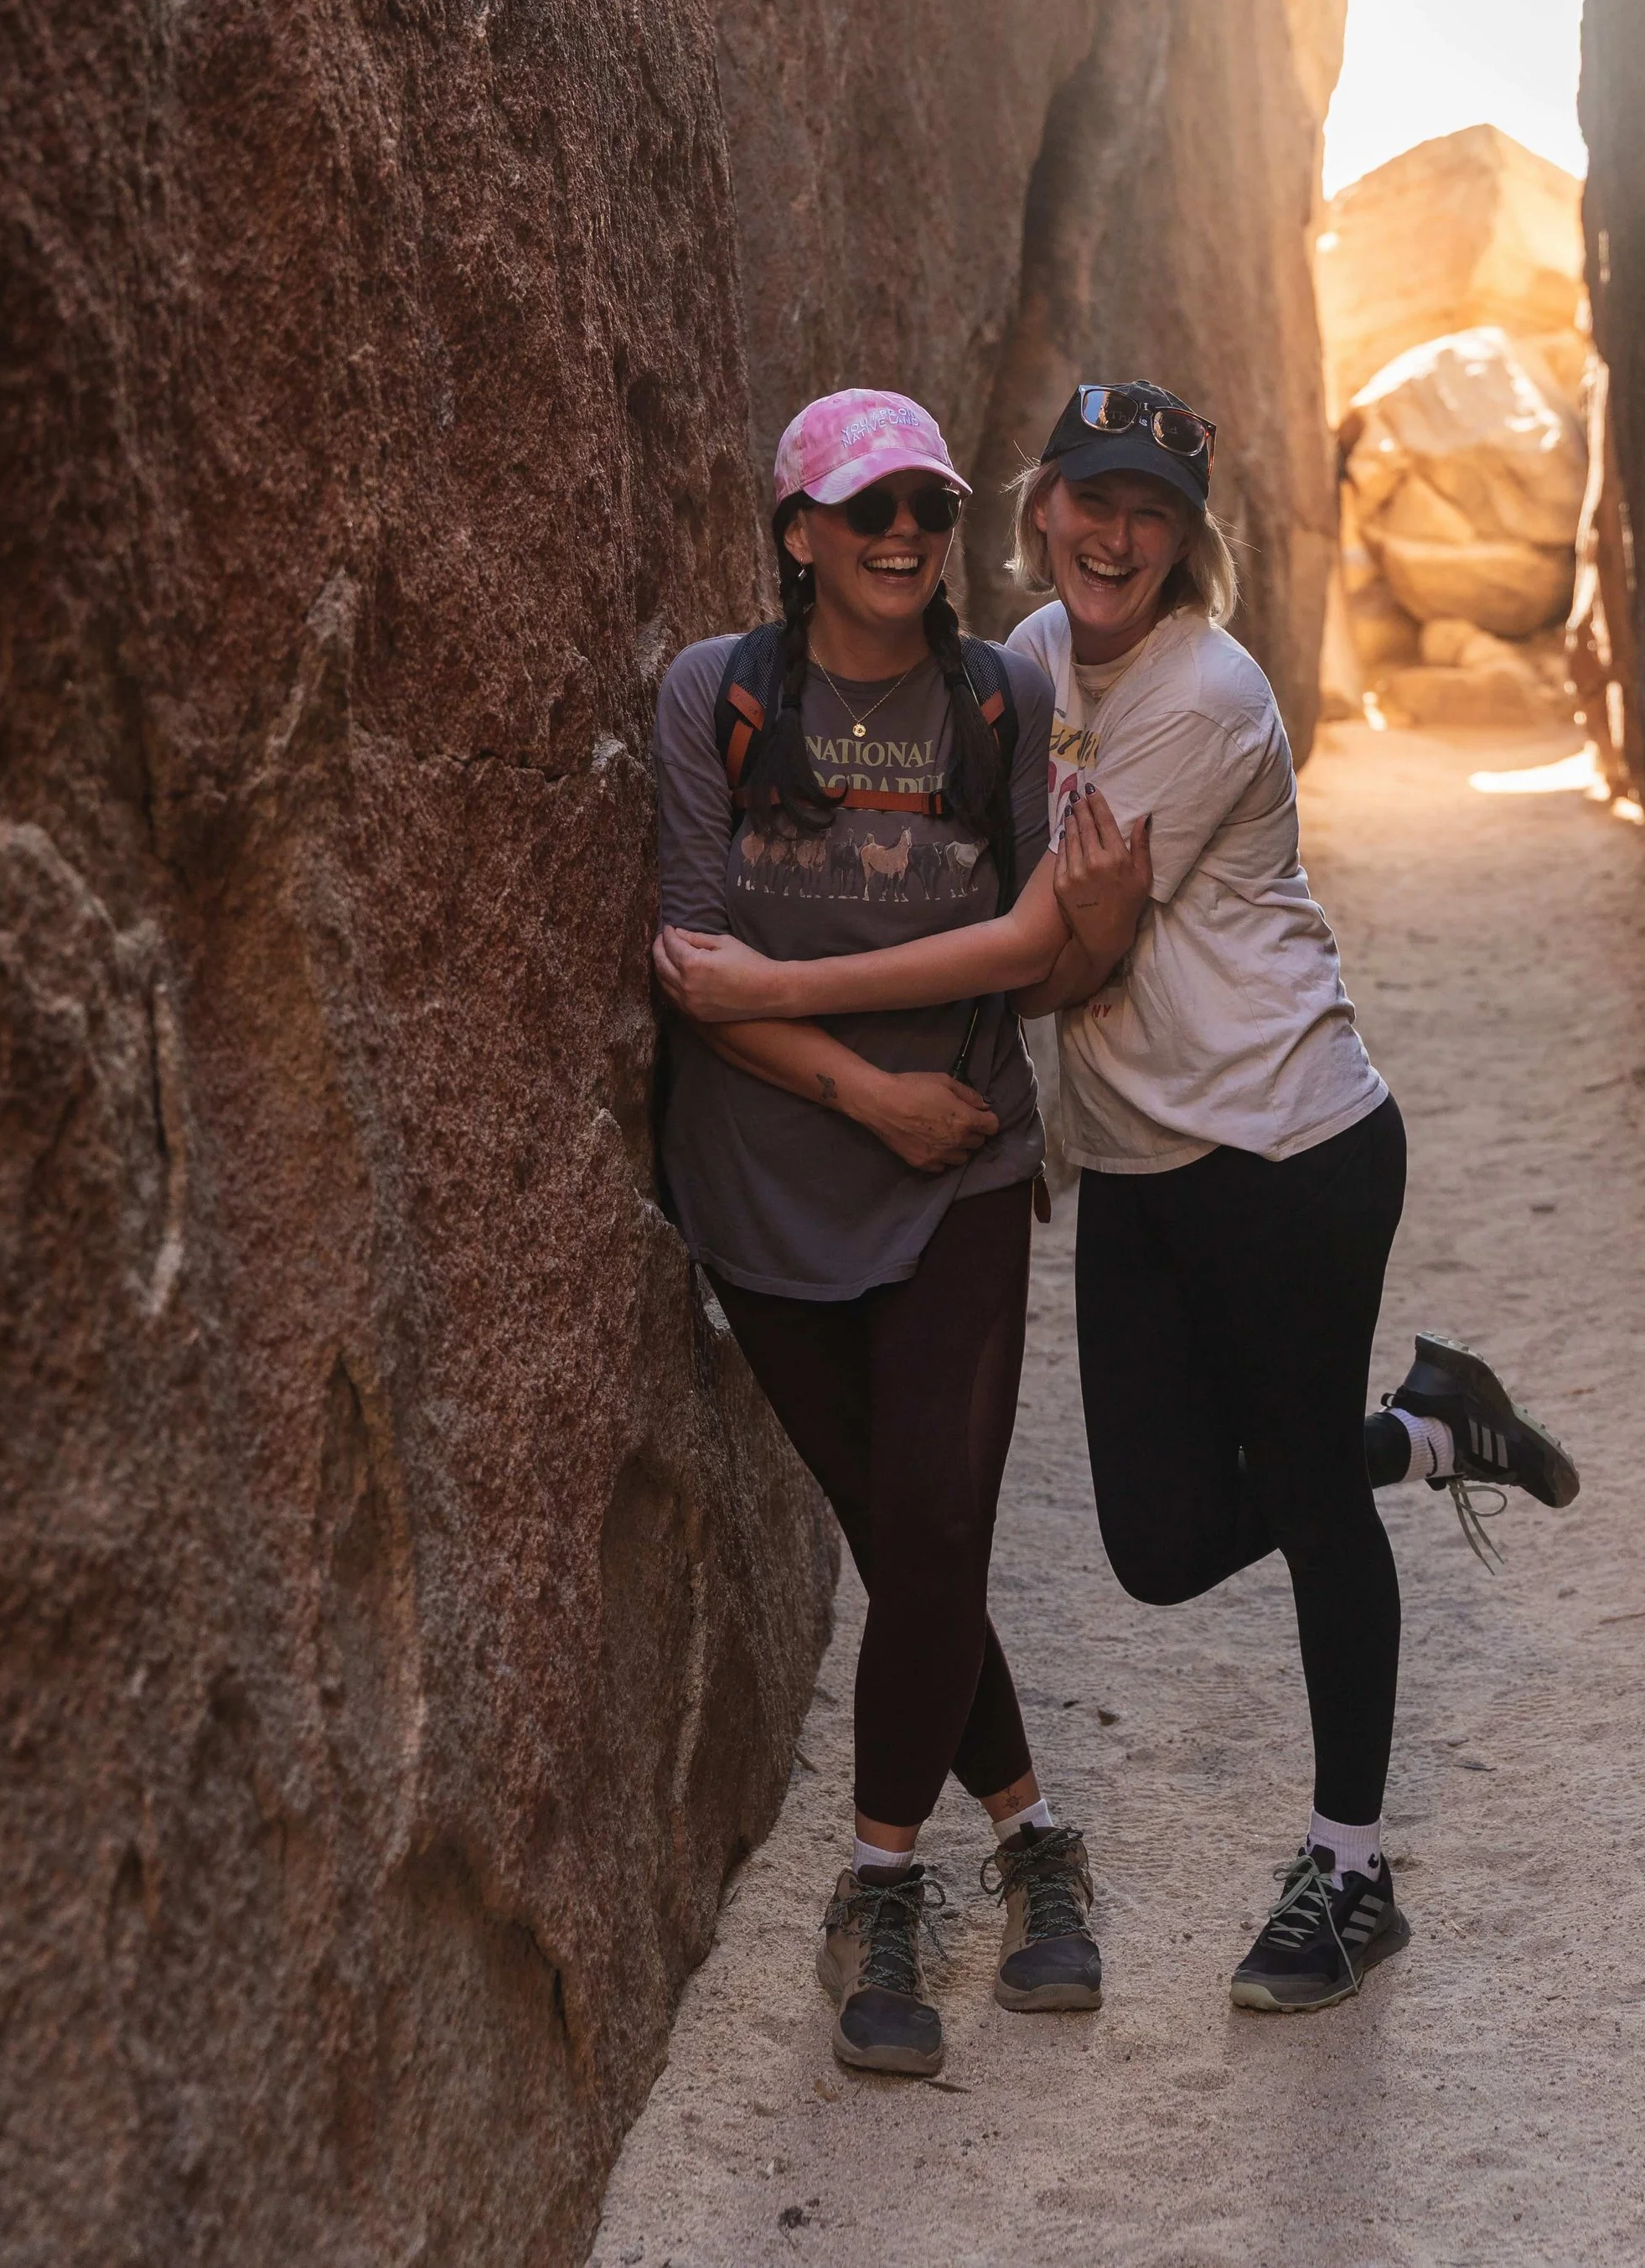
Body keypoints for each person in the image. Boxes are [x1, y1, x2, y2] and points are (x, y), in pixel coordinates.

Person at [658, 380, 1579, 2019]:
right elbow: (1020, 907)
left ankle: (1348, 1872)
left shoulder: (1199, 696)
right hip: (1140, 1168)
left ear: (1187, 542)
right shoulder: (1016, 668)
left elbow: (1048, 954)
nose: (1115, 533)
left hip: (1289, 1142)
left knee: (1297, 1499)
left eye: (1150, 512)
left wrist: (762, 993)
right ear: (1038, 514)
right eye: (1090, 498)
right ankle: (1425, 1429)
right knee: (1155, 1546)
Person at [651, 388, 1113, 2082]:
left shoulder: (997, 696)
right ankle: (1034, 1831)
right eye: (862, 513)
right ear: (797, 534)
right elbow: (695, 980)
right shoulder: (718, 694)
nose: (900, 533)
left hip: (962, 1182)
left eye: (922, 503)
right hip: (766, 1190)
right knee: (909, 1543)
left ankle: (876, 1887)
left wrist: (935, 1090)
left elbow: (1026, 944)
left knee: (930, 1524)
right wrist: (868, 1095)